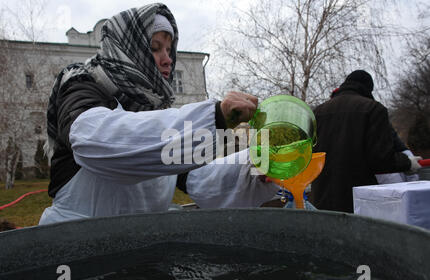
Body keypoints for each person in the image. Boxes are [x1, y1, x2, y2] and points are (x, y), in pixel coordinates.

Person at [39, 3, 278, 225]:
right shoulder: (82, 86)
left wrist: (257, 163)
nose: (168, 60)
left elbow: (200, 180)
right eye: (155, 48)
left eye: (169, 49)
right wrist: (215, 116)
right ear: (126, 48)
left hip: (143, 252)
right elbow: (97, 142)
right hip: (75, 247)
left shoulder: (158, 112)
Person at [309, 70, 422, 213]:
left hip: (321, 200)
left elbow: (310, 155)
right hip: (358, 202)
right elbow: (381, 159)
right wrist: (408, 162)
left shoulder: (317, 113)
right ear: (368, 88)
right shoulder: (373, 109)